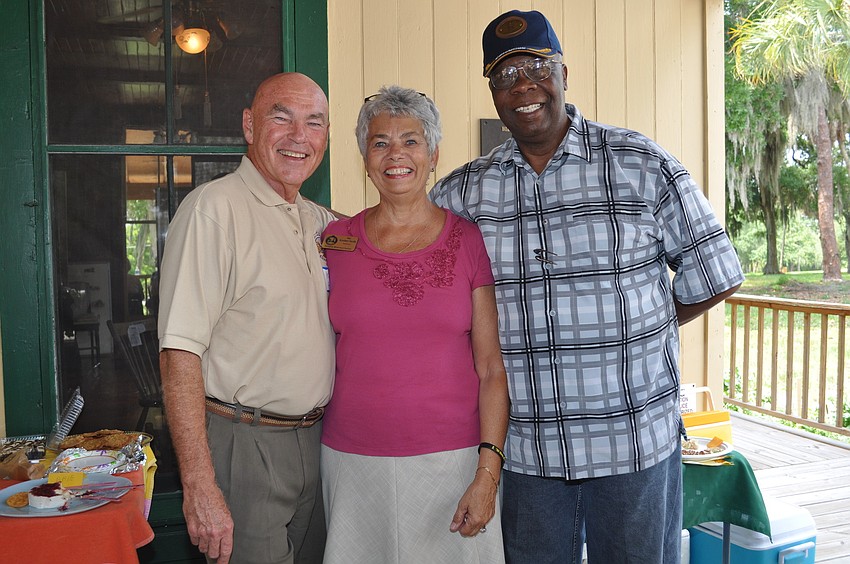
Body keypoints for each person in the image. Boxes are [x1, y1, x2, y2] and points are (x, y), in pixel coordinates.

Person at [430, 10, 745, 564]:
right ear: (493, 92)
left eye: (535, 66)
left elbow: (716, 272)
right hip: (528, 456)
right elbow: (404, 233)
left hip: (633, 446)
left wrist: (641, 325)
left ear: (563, 72)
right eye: (505, 76)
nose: (523, 85)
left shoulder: (640, 164)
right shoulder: (468, 192)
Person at [319, 85, 509, 564]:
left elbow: (491, 368)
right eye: (380, 142)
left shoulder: (467, 240)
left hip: (454, 463)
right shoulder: (332, 241)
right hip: (351, 459)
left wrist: (487, 472)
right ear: (365, 157)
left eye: (411, 140)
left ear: (434, 155)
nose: (395, 154)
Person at [158, 72, 336, 564]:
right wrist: (198, 485)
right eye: (282, 117)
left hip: (319, 442)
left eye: (314, 122)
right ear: (249, 126)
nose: (299, 136)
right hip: (245, 446)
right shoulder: (213, 210)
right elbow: (178, 353)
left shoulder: (321, 223)